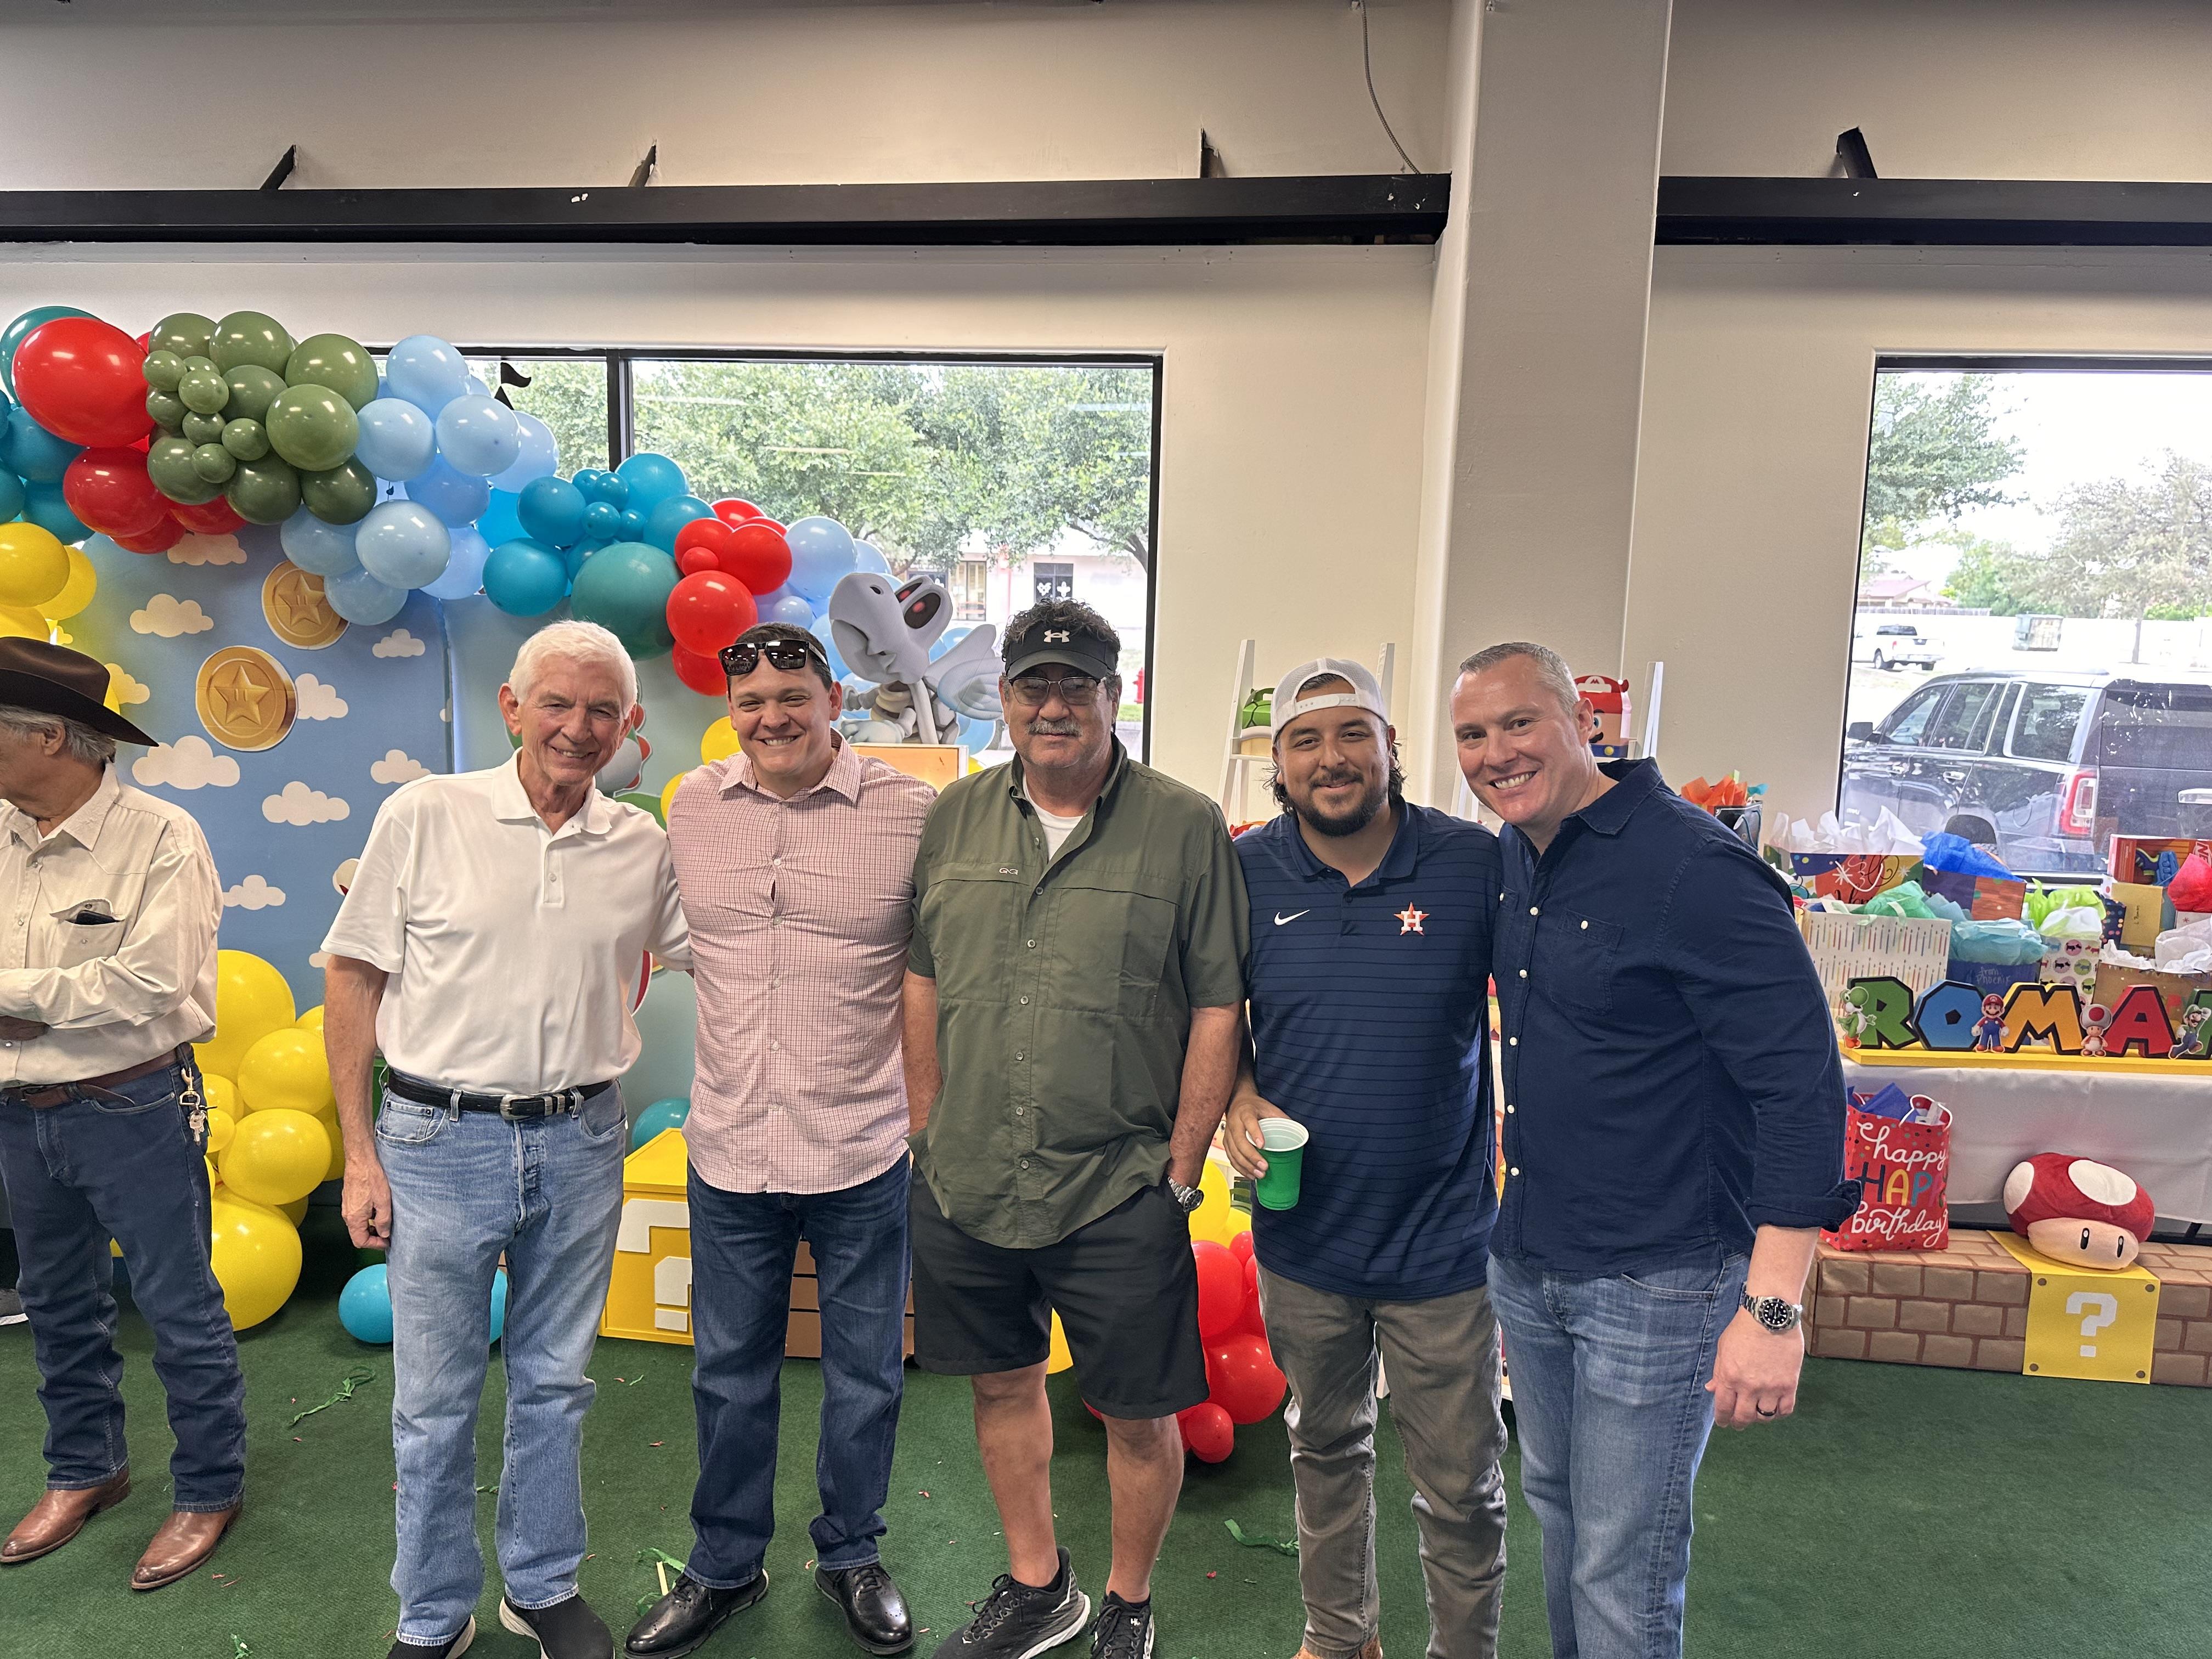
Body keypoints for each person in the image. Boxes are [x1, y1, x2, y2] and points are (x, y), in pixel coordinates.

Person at [1449, 641, 1858, 1659]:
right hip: (1533, 1259)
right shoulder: (1511, 856)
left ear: (1582, 723)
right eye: (1471, 733)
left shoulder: (1699, 871)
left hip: (1664, 1277)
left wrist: (1773, 1309)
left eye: (1518, 723)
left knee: (1622, 1563)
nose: (1496, 752)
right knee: (1563, 1518)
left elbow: (1803, 1093)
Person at [324, 620, 691, 1659]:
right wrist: (360, 1151)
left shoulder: (642, 847)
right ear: (511, 708)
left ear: (630, 725)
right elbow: (352, 978)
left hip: (582, 1141)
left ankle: (540, 1585)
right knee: (433, 1403)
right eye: (557, 705)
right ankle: (433, 1616)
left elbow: (725, 948)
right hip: (436, 1140)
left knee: (556, 1383)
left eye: (601, 711)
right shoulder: (427, 814)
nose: (578, 729)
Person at [902, 600, 1248, 1659]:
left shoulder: (1184, 825)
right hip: (967, 1177)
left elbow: (1217, 1005)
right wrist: (925, 1131)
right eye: (1033, 686)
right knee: (1003, 1383)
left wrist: (1181, 1173)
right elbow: (920, 980)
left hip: (1120, 1183)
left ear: (1114, 695)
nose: (1054, 705)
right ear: (1003, 698)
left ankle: (1129, 1602)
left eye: (1077, 685)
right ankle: (1036, 1583)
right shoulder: (952, 818)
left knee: (1138, 1415)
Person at [631, 624, 934, 1659]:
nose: (772, 718)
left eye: (792, 697)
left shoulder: (909, 810)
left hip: (861, 1146)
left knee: (864, 1376)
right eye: (751, 702)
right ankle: (725, 1566)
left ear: (834, 698)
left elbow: (942, 968)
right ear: (732, 711)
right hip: (729, 1147)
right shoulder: (692, 806)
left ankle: (852, 1554)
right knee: (728, 1373)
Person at [1222, 658, 1507, 1659]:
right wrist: (1240, 1093)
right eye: (1306, 740)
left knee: (1462, 1486)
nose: (1331, 759)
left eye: (1354, 735)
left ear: (1393, 749)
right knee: (1324, 1448)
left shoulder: (1475, 865)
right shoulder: (1246, 871)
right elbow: (1211, 1021)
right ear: (1280, 764)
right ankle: (1339, 1640)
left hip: (1443, 1242)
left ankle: (1462, 1649)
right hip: (1305, 1237)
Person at [0, 639, 240, 1591]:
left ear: (51, 736)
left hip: (134, 1102)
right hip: (20, 1109)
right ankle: (85, 1470)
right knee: (56, 1303)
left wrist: (14, 993)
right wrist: (50, 995)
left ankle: (209, 1489)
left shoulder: (162, 836)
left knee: (178, 1307)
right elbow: (100, 983)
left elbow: (153, 980)